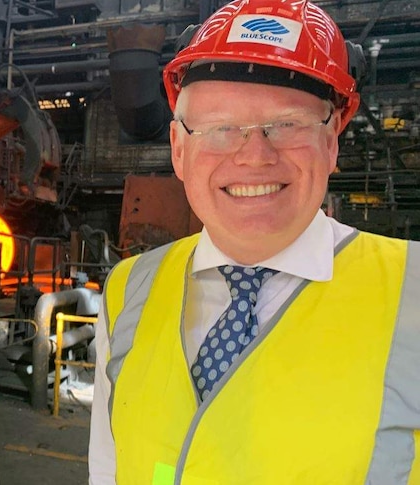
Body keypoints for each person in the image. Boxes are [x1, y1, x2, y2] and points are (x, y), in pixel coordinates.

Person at [88, 1, 419, 483]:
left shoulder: (413, 294)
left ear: (332, 144)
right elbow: (108, 469)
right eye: (221, 128)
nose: (254, 156)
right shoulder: (127, 291)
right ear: (179, 151)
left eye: (287, 124)